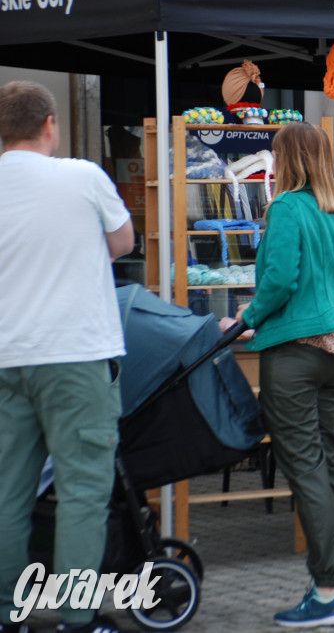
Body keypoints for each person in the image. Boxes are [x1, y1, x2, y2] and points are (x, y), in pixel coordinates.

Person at [0, 80, 134, 633]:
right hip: (77, 353)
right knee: (82, 490)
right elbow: (123, 242)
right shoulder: (82, 176)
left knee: (8, 491)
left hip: (7, 355)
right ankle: (77, 618)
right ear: (50, 124)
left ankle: (7, 612)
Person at [235, 122, 334, 628]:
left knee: (305, 467)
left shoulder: (286, 208)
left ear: (287, 158)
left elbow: (280, 279)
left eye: (275, 154)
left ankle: (327, 589)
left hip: (293, 348)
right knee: (327, 463)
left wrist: (246, 318)